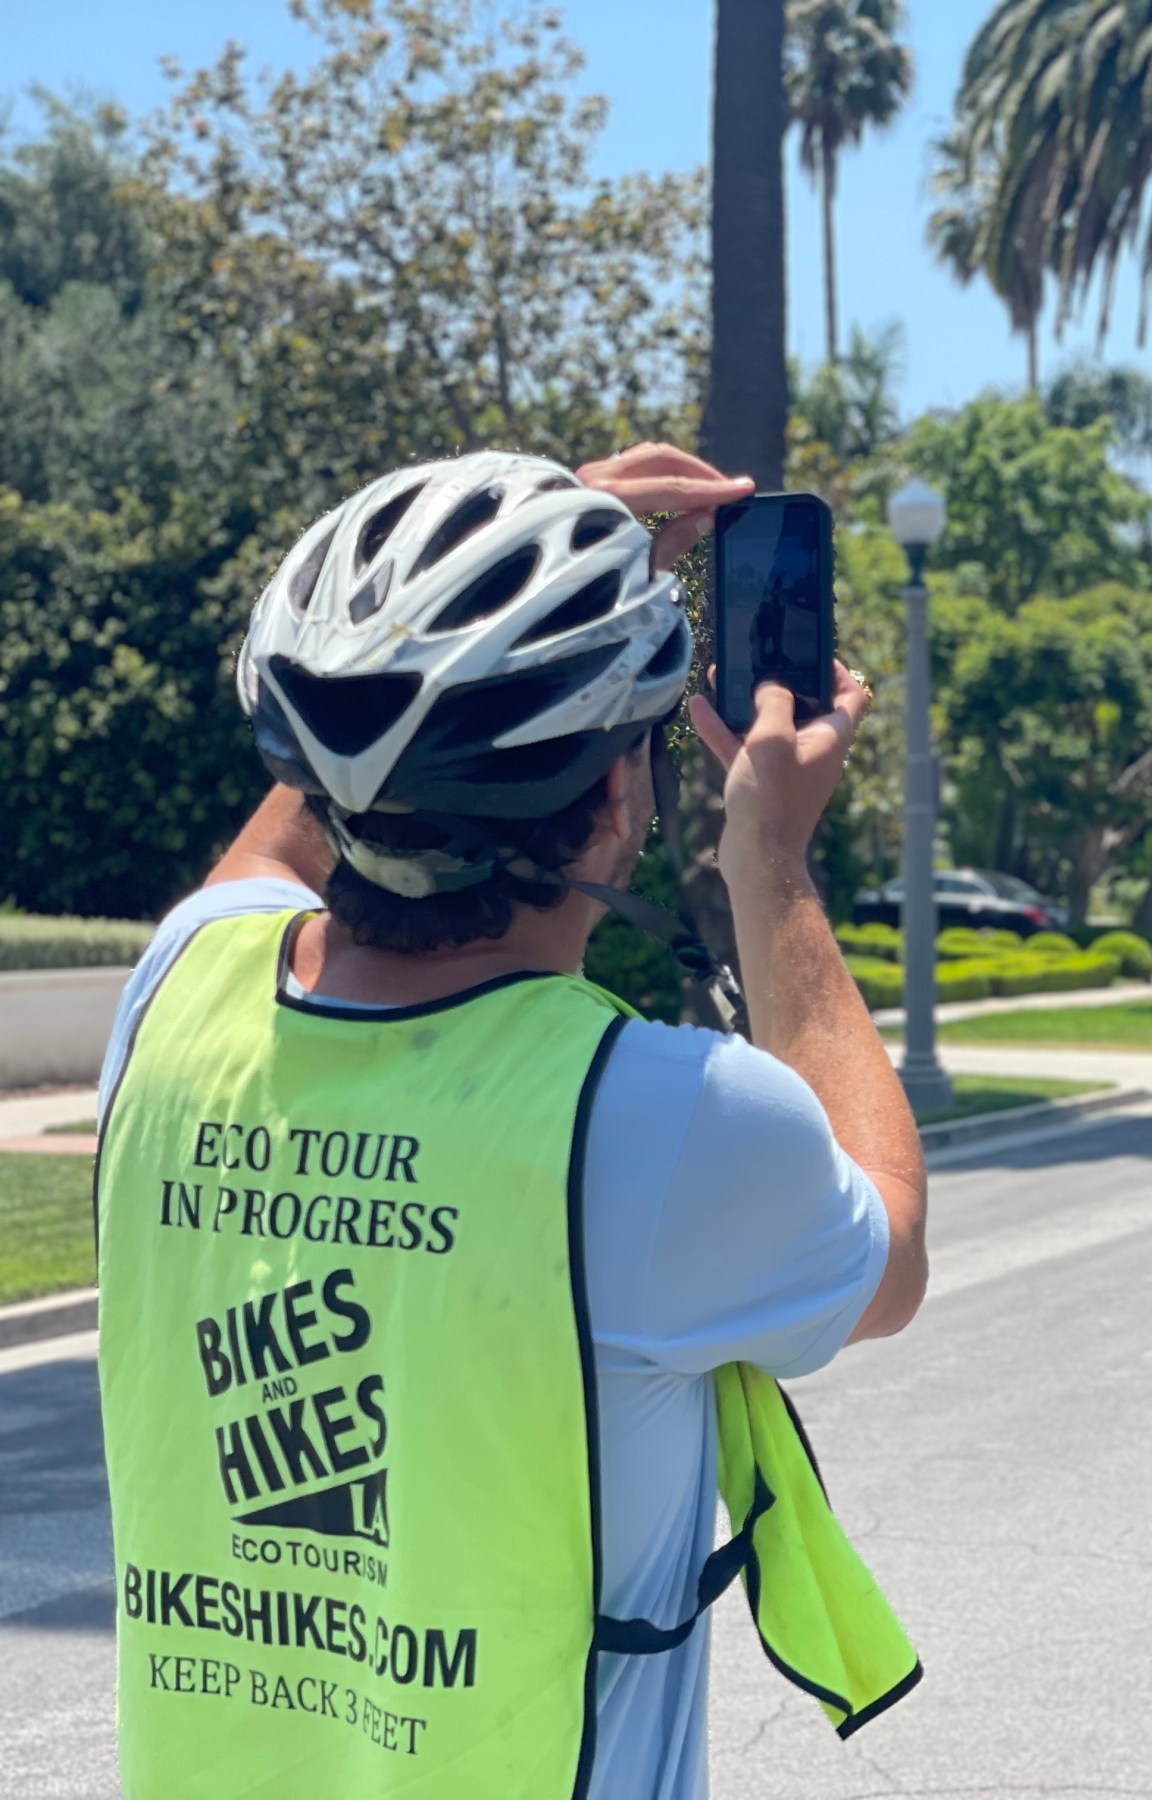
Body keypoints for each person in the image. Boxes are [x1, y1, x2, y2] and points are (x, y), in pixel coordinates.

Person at [93, 444, 926, 1800]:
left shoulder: (179, 992)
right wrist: (770, 861)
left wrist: (424, 651)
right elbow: (890, 1242)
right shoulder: (658, 1119)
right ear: (614, 801)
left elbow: (263, 862)